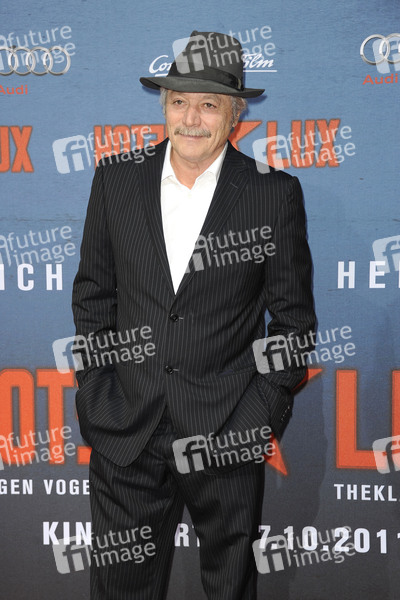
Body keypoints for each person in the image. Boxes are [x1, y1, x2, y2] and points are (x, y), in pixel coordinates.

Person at [72, 30, 315, 600]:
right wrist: (98, 393)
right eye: (179, 101)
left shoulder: (273, 194)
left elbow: (293, 327)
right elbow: (92, 299)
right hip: (126, 432)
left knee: (229, 589)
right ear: (164, 106)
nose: (191, 119)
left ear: (234, 114)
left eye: (208, 104)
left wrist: (254, 420)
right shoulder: (116, 179)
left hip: (226, 433)